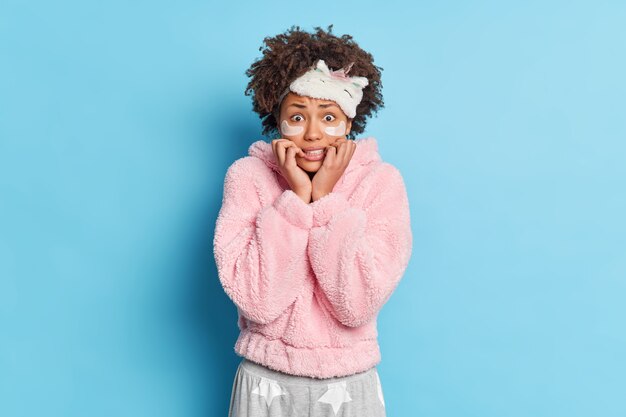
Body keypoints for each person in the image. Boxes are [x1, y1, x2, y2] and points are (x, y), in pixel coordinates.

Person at [213, 24, 413, 417]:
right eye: (298, 117)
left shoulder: (381, 184)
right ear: (277, 120)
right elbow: (258, 301)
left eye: (329, 117)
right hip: (265, 382)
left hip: (347, 384)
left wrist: (323, 201)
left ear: (351, 122)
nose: (313, 134)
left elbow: (354, 306)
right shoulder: (247, 178)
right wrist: (294, 203)